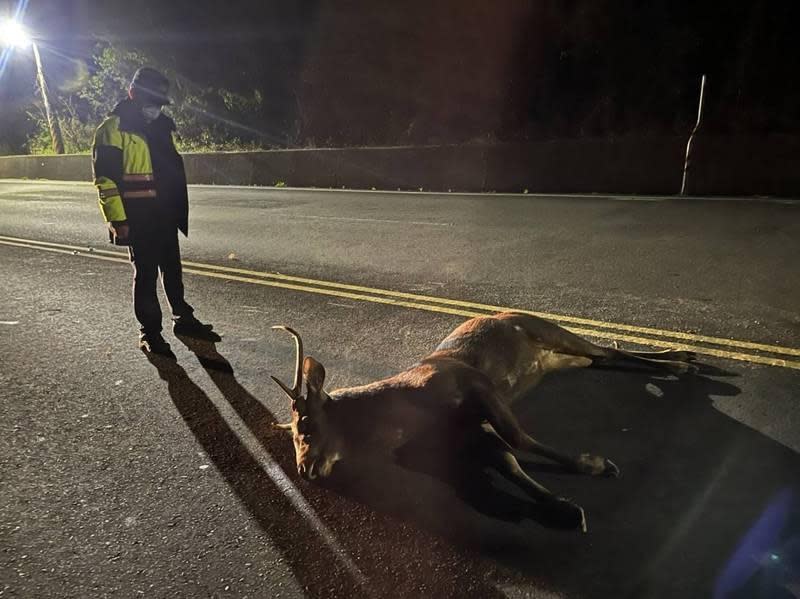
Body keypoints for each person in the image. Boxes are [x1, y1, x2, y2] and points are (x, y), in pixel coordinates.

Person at [91, 67, 218, 355]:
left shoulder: (161, 125)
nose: (155, 108)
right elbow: (106, 181)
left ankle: (183, 319)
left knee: (172, 269)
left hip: (164, 214)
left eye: (160, 103)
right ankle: (150, 332)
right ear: (132, 94)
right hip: (137, 217)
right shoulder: (112, 129)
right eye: (151, 101)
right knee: (146, 274)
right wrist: (118, 219)